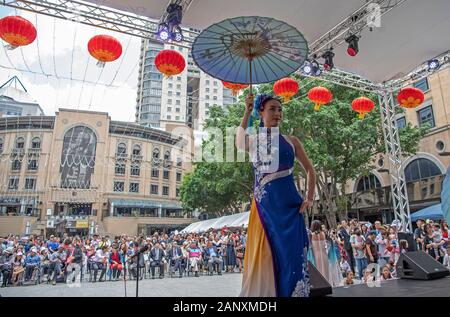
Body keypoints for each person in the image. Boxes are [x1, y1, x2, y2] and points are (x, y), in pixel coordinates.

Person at [237, 93, 316, 297]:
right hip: (266, 207)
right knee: (267, 255)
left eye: (280, 109)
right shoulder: (254, 141)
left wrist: (309, 197)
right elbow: (238, 143)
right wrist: (246, 112)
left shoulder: (292, 141)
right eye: (272, 109)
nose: (278, 113)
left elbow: (310, 170)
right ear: (260, 112)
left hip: (291, 206)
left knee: (292, 257)